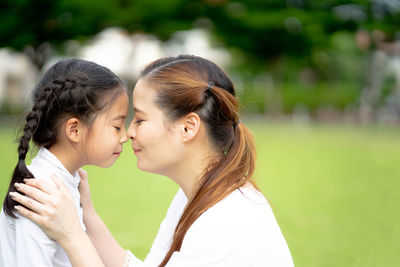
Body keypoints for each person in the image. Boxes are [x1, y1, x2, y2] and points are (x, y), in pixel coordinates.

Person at [10, 55, 294, 267]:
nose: (130, 133)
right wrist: (88, 219)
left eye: (140, 119)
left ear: (188, 127)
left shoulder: (229, 222)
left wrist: (73, 235)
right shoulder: (194, 198)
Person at [0, 58, 129, 266]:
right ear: (74, 130)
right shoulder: (40, 193)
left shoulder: (64, 182)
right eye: (117, 126)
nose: (125, 136)